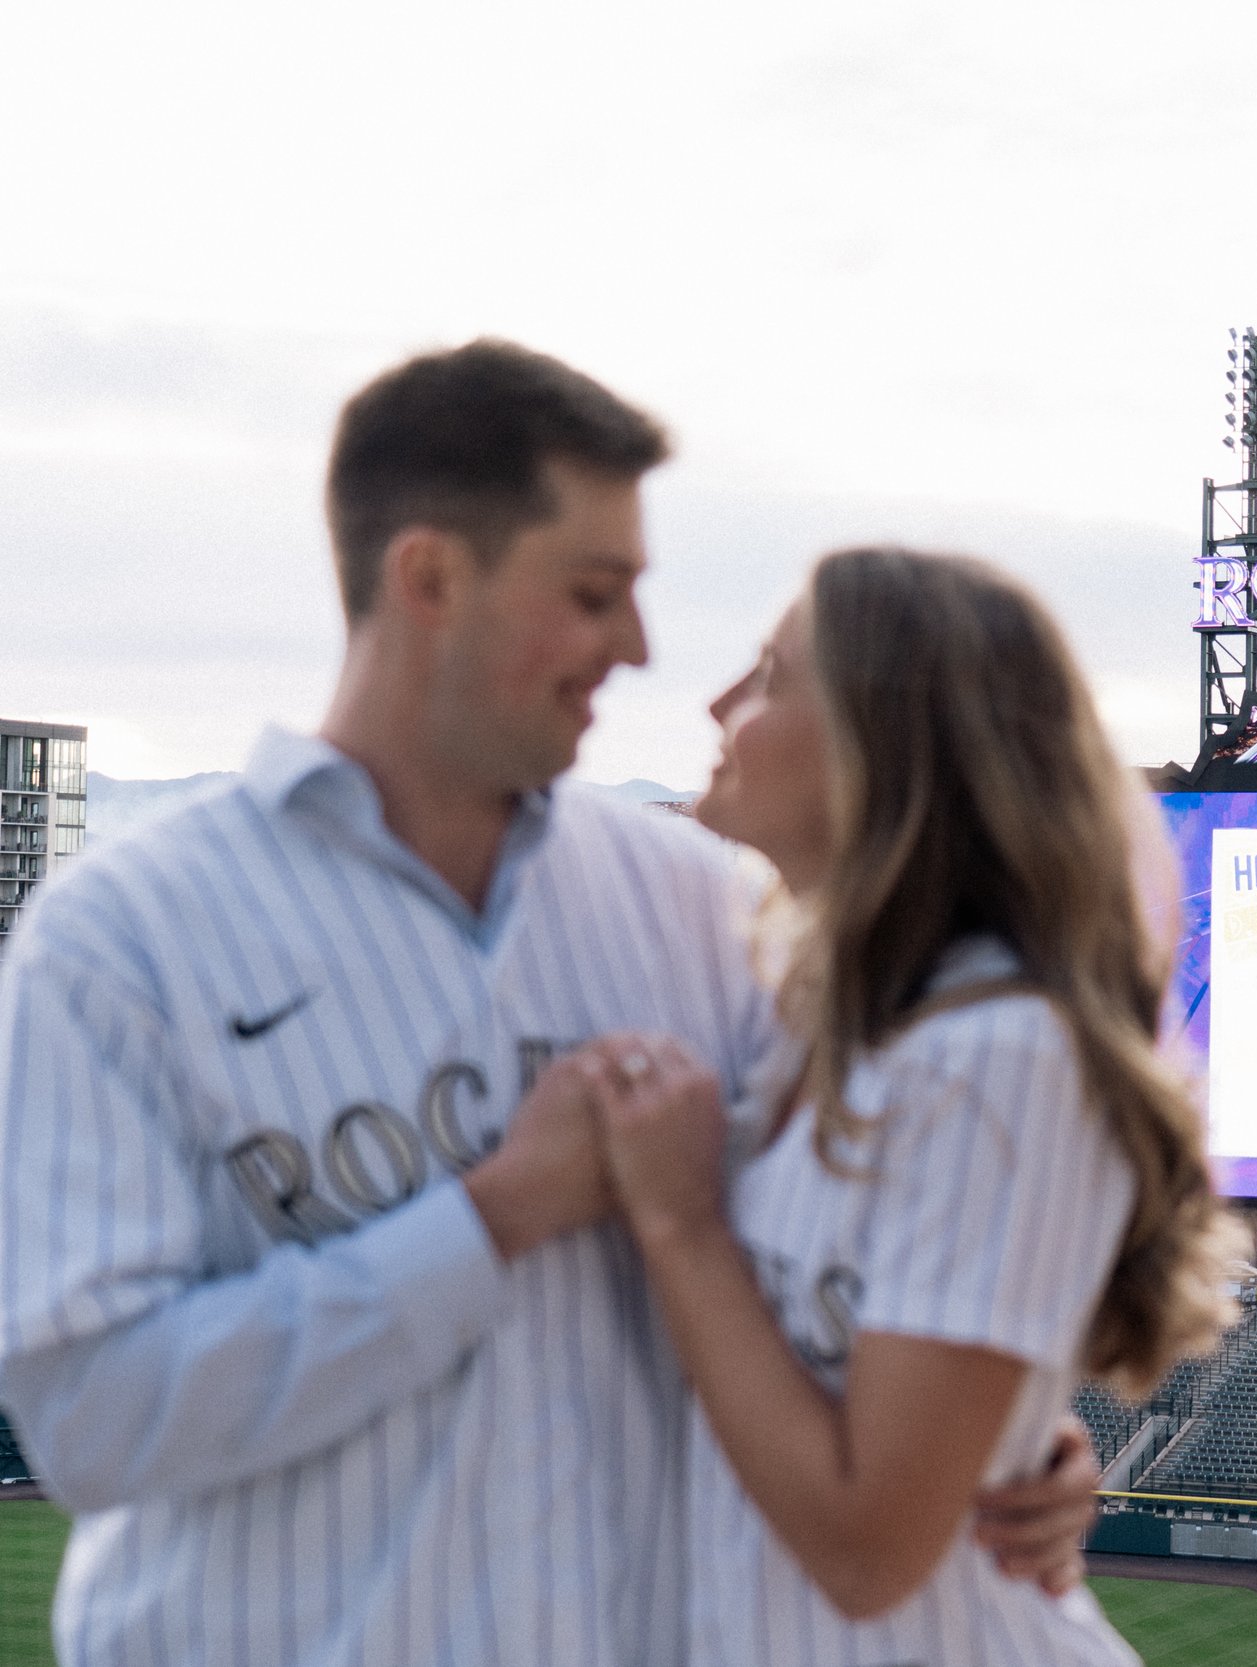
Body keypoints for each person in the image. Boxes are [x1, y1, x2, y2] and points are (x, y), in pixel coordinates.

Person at [0, 342, 1097, 1667]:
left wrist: (1013, 1439)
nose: (635, 649)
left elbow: (856, 1252)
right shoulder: (116, 941)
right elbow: (90, 1422)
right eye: (594, 594)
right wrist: (492, 1214)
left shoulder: (706, 902)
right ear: (430, 580)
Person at [581, 547, 1245, 1663]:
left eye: (770, 675)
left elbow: (866, 1552)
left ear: (881, 748)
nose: (715, 702)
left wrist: (680, 1222)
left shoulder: (1000, 1052)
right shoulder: (806, 1013)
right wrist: (996, 1432)